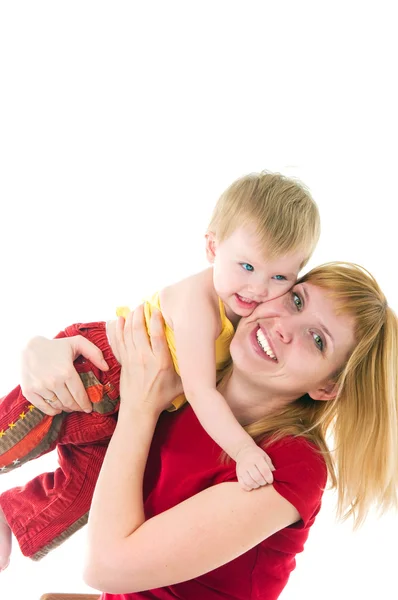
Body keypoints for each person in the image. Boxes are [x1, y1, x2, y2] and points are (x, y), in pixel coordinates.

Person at [1, 262, 397, 599]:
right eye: (297, 300)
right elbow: (103, 359)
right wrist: (49, 350)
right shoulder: (188, 368)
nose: (283, 327)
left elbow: (105, 566)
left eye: (316, 340)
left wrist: (141, 407)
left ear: (326, 387)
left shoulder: (290, 465)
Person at [0, 170, 321, 571]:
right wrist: (242, 449)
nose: (257, 289)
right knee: (13, 435)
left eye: (278, 277)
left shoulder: (248, 311)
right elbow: (202, 391)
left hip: (132, 409)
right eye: (246, 266)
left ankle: (10, 517)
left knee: (85, 496)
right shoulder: (197, 305)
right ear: (212, 247)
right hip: (102, 372)